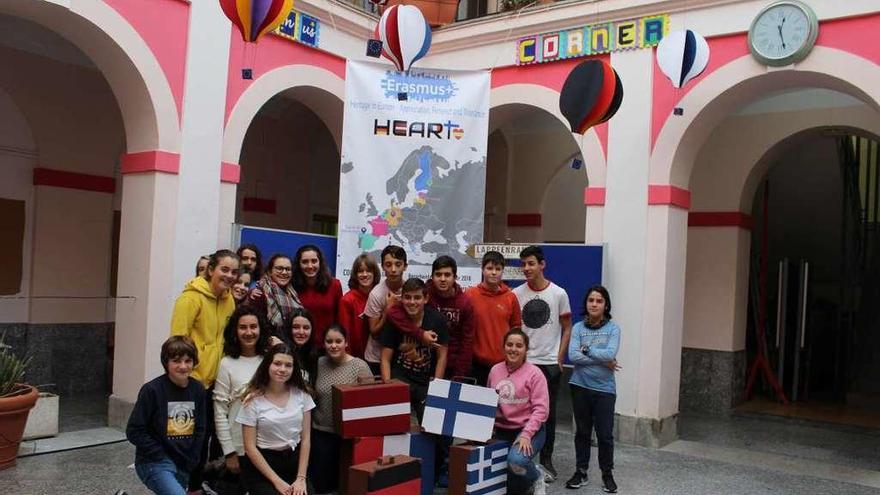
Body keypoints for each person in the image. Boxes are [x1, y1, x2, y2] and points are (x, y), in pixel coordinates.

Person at [171, 249, 240, 493]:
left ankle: (198, 486)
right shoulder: (189, 299)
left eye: (234, 271)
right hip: (191, 384)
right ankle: (180, 487)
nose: (230, 275)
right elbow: (177, 344)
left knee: (210, 439)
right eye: (225, 269)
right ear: (211, 269)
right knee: (186, 441)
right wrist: (186, 379)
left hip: (216, 384)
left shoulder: (229, 299)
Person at [513, 245, 571, 483]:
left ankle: (546, 459)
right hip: (524, 364)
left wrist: (559, 358)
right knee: (519, 411)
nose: (527, 268)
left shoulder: (559, 294)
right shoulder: (516, 294)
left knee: (547, 415)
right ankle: (521, 454)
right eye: (523, 264)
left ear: (542, 264)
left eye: (531, 263)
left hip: (548, 365)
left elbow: (567, 327)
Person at [126, 336, 206, 495]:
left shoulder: (198, 389)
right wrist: (159, 453)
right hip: (154, 461)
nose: (183, 366)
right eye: (176, 361)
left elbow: (200, 428)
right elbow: (134, 431)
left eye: (188, 360)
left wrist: (193, 459)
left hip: (183, 462)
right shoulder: (152, 390)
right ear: (166, 363)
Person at [236, 344, 315, 495]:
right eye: (277, 363)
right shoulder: (252, 400)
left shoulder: (302, 395)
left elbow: (306, 439)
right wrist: (277, 482)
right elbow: (250, 447)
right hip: (264, 466)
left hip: (294, 463)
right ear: (268, 365)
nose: (282, 369)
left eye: (288, 365)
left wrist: (301, 478)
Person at [565, 285, 620, 493]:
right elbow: (573, 356)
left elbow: (610, 354)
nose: (594, 304)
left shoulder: (613, 329)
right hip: (579, 386)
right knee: (582, 432)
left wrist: (587, 349)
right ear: (586, 304)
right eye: (591, 300)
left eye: (599, 301)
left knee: (605, 435)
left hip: (605, 390)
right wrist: (602, 360)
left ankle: (607, 474)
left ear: (606, 305)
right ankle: (581, 471)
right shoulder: (578, 328)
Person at [388, 255, 475, 380]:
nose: (442, 279)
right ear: (432, 276)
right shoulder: (422, 293)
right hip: (423, 363)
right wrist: (420, 334)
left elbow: (467, 340)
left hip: (452, 363)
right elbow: (394, 312)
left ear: (455, 277)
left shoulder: (465, 303)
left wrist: (459, 375)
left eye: (447, 275)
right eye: (438, 275)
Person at [309, 325, 372, 493]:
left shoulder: (359, 366)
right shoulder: (319, 362)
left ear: (346, 343)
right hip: (321, 434)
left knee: (345, 485)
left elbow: (371, 401)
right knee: (322, 486)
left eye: (338, 341)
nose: (333, 345)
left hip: (348, 438)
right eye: (329, 341)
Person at [213, 307, 270, 492]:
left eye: (253, 326)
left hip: (269, 445)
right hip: (240, 447)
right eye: (243, 327)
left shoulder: (271, 360)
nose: (249, 332)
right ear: (235, 332)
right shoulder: (227, 363)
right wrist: (229, 451)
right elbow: (220, 412)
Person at [488, 329, 549, 495]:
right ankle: (523, 478)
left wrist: (526, 434)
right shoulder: (495, 370)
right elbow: (489, 402)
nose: (513, 349)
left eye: (519, 345)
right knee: (509, 482)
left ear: (526, 350)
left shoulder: (535, 374)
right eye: (509, 345)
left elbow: (541, 410)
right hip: (502, 429)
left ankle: (537, 476)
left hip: (529, 430)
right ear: (503, 347)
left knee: (516, 461)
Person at [379, 277, 449, 420]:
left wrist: (436, 389)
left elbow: (442, 356)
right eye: (408, 298)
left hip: (425, 382)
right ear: (402, 298)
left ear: (426, 298)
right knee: (394, 424)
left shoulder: (437, 320)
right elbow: (385, 358)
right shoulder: (395, 320)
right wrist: (388, 387)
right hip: (400, 379)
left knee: (430, 420)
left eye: (417, 297)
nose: (412, 302)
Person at [466, 251, 523, 386]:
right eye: (490, 268)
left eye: (498, 269)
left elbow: (516, 328)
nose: (494, 272)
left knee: (501, 405)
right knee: (476, 405)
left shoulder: (510, 297)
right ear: (482, 269)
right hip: (476, 364)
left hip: (503, 364)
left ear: (503, 271)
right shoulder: (470, 295)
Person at [363, 245, 408, 375]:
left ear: (405, 266)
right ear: (382, 267)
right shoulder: (376, 294)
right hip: (376, 358)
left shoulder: (410, 290)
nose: (393, 269)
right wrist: (388, 310)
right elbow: (374, 333)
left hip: (401, 356)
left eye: (398, 264)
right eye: (388, 264)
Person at [292, 245, 342, 350]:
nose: (310, 266)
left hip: (327, 347)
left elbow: (339, 319)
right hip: (299, 347)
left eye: (314, 261)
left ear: (320, 262)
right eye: (305, 262)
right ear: (298, 264)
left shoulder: (335, 285)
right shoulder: (291, 286)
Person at [248, 254, 303, 342]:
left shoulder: (294, 293)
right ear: (270, 271)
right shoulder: (259, 294)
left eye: (288, 269)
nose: (284, 272)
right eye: (279, 268)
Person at [337, 253, 381, 360]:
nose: (364, 274)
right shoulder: (347, 300)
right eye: (361, 271)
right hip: (355, 359)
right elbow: (345, 335)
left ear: (375, 273)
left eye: (369, 271)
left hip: (376, 357)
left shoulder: (380, 297)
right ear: (355, 275)